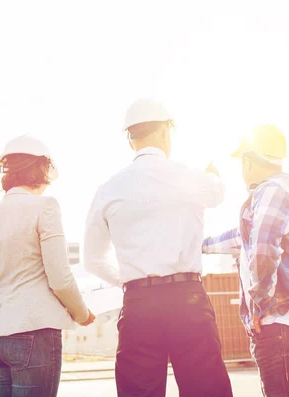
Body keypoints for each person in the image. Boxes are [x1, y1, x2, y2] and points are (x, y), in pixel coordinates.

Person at [83, 99, 233, 397]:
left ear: (130, 141)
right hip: (187, 300)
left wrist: (129, 280)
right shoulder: (190, 177)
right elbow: (217, 193)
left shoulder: (109, 189)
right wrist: (213, 174)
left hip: (140, 304)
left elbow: (92, 260)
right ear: (166, 133)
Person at [202, 125, 289, 397]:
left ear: (248, 161)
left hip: (285, 328)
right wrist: (198, 246)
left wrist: (261, 304)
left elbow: (262, 249)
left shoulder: (272, 191)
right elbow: (242, 238)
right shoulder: (278, 193)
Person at [0, 135, 95, 397]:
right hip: (33, 333)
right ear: (41, 169)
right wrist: (82, 314)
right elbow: (59, 278)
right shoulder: (45, 207)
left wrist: (9, 308)